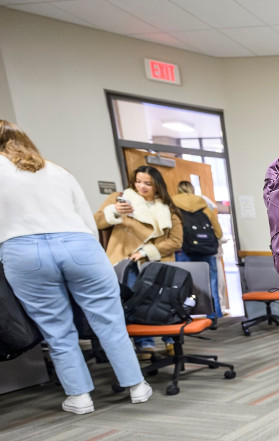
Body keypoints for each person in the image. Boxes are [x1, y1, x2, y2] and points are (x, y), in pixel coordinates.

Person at [0, 120, 151, 414]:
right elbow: (85, 218)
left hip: (23, 250)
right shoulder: (56, 169)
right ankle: (137, 386)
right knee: (110, 322)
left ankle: (80, 397)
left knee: (56, 329)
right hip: (79, 244)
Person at [95, 165, 183, 358]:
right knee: (136, 302)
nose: (142, 187)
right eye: (138, 181)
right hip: (127, 261)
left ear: (157, 185)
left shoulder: (167, 206)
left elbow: (176, 240)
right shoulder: (122, 199)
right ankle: (145, 344)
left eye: (148, 183)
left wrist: (147, 251)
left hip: (158, 261)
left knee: (165, 301)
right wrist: (115, 212)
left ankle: (171, 340)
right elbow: (98, 223)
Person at [172, 180, 223, 323]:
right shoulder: (204, 205)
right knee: (211, 284)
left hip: (183, 251)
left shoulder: (172, 206)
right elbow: (218, 233)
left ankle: (183, 317)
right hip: (206, 251)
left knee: (182, 284)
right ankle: (214, 315)